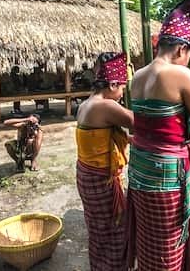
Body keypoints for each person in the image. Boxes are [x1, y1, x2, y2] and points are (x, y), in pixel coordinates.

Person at [127, 0, 190, 271]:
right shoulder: (181, 76)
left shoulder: (137, 76)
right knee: (169, 248)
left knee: (148, 244)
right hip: (166, 176)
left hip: (140, 170)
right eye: (189, 56)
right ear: (181, 49)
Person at [75, 52, 133, 270]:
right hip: (101, 181)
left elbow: (98, 138)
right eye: (122, 88)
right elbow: (138, 122)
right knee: (115, 229)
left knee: (99, 231)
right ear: (112, 83)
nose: (122, 94)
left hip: (86, 175)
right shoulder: (106, 106)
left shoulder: (87, 104)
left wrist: (127, 140)